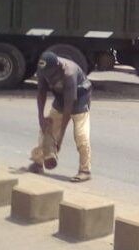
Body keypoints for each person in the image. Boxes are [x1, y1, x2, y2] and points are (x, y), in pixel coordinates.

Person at [29, 51, 93, 182]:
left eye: (51, 74)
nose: (49, 77)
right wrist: (41, 117)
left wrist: (60, 138)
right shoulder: (43, 69)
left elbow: (68, 106)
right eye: (46, 74)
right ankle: (39, 161)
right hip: (60, 98)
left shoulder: (69, 73)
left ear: (58, 66)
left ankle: (85, 170)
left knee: (81, 135)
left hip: (79, 99)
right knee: (47, 129)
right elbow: (41, 93)